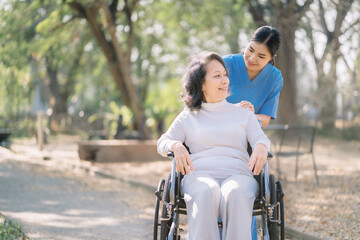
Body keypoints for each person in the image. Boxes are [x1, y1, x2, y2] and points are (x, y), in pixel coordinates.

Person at [157, 51, 271, 240]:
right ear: (201, 84)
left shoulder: (243, 113)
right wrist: (176, 146)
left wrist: (261, 146)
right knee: (206, 190)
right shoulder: (188, 116)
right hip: (199, 175)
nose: (225, 80)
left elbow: (261, 138)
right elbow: (162, 142)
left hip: (239, 174)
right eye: (217, 76)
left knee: (236, 192)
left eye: (225, 75)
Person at [224, 26, 283, 127]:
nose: (252, 58)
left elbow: (265, 120)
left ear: (271, 57)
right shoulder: (224, 64)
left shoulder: (274, 78)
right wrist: (236, 111)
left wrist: (249, 115)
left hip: (245, 135)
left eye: (261, 56)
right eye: (250, 50)